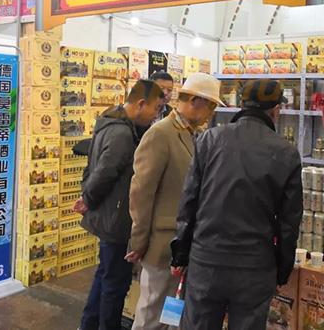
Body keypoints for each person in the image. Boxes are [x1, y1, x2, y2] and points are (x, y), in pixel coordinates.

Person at [170, 80, 303, 330]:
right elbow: (289, 222)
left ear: (241, 104)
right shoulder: (286, 152)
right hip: (254, 265)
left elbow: (189, 202)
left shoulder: (209, 139)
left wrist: (180, 253)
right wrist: (283, 269)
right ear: (276, 110)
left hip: (206, 259)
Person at [125, 73, 224, 330]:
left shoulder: (195, 135)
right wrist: (139, 241)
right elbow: (141, 192)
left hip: (183, 245)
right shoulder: (161, 134)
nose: (211, 114)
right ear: (196, 101)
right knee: (151, 314)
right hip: (160, 244)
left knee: (171, 313)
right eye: (211, 106)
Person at [74, 79, 163, 330]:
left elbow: (92, 168)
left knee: (104, 277)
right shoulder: (122, 134)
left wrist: (87, 196)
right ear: (141, 103)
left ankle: (88, 325)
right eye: (155, 109)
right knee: (115, 285)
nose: (155, 115)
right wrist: (88, 198)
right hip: (116, 220)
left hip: (107, 214)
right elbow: (105, 172)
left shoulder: (108, 122)